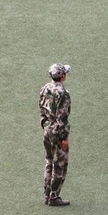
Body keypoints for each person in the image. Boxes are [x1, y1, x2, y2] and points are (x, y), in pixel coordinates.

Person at [39, 63, 72, 206]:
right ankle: (54, 196)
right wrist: (63, 138)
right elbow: (62, 118)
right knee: (60, 164)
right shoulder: (63, 93)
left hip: (47, 129)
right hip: (57, 132)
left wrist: (45, 125)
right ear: (63, 76)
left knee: (49, 160)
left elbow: (41, 108)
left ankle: (47, 193)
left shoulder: (45, 88)